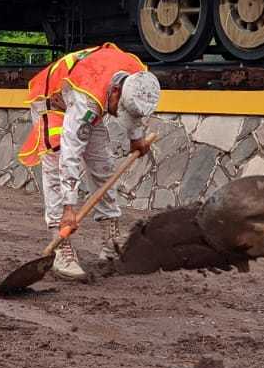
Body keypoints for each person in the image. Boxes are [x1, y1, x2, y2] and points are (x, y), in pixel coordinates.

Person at [17, 44, 161, 281]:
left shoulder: (138, 77)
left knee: (103, 166)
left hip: (86, 99)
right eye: (119, 109)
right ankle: (60, 244)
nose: (118, 114)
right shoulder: (87, 99)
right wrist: (69, 208)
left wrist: (136, 138)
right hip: (52, 102)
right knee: (56, 161)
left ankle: (110, 241)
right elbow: (70, 155)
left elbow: (132, 110)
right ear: (115, 92)